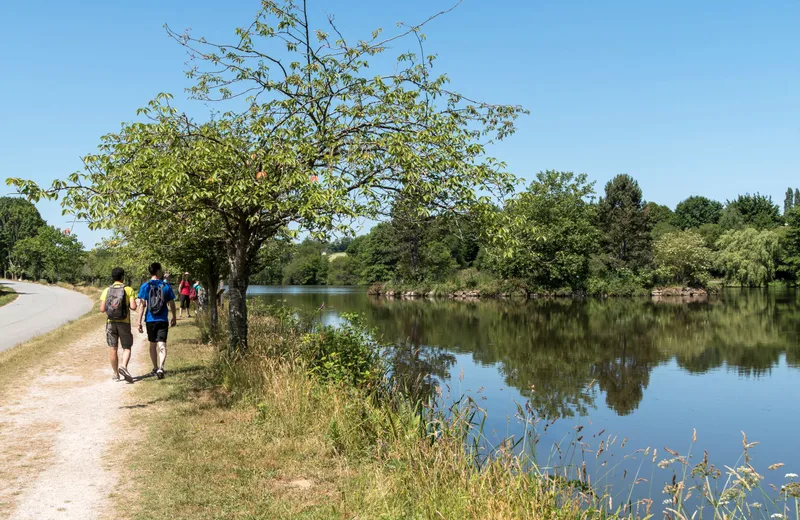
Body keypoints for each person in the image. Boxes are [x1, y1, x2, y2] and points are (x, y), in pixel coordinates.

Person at [137, 262, 177, 380]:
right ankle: (161, 367)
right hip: (162, 319)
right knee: (162, 344)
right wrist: (174, 316)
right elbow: (172, 303)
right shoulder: (165, 286)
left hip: (150, 319)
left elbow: (142, 305)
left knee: (152, 344)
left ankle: (155, 368)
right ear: (158, 271)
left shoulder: (145, 286)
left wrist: (139, 322)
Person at [99, 267, 138, 383]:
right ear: (123, 277)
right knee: (127, 347)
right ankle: (124, 366)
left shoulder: (107, 290)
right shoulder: (129, 290)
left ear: (113, 277)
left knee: (113, 348)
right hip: (124, 322)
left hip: (111, 322)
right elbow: (134, 307)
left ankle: (116, 374)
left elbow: (101, 309)